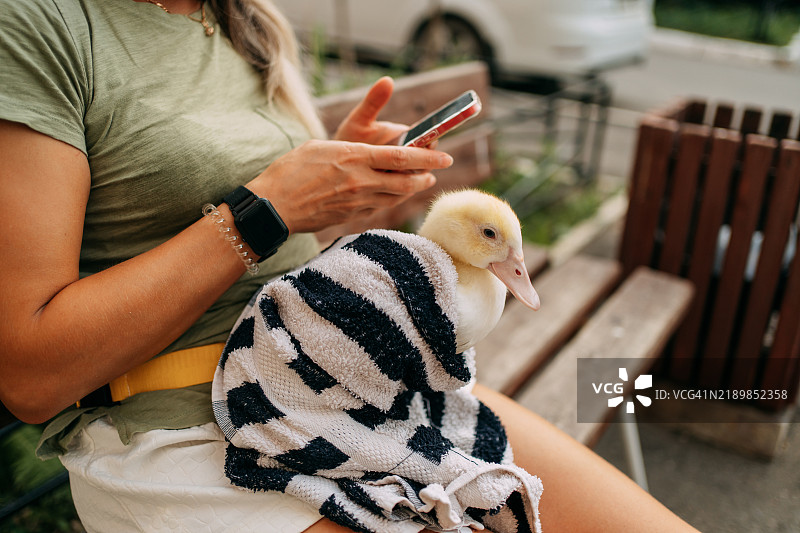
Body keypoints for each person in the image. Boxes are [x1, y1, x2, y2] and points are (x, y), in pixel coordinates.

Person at [0, 1, 700, 531]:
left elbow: (269, 238)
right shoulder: (39, 27)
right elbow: (31, 374)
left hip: (364, 388)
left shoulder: (243, 21)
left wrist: (337, 190)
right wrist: (265, 207)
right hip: (192, 434)